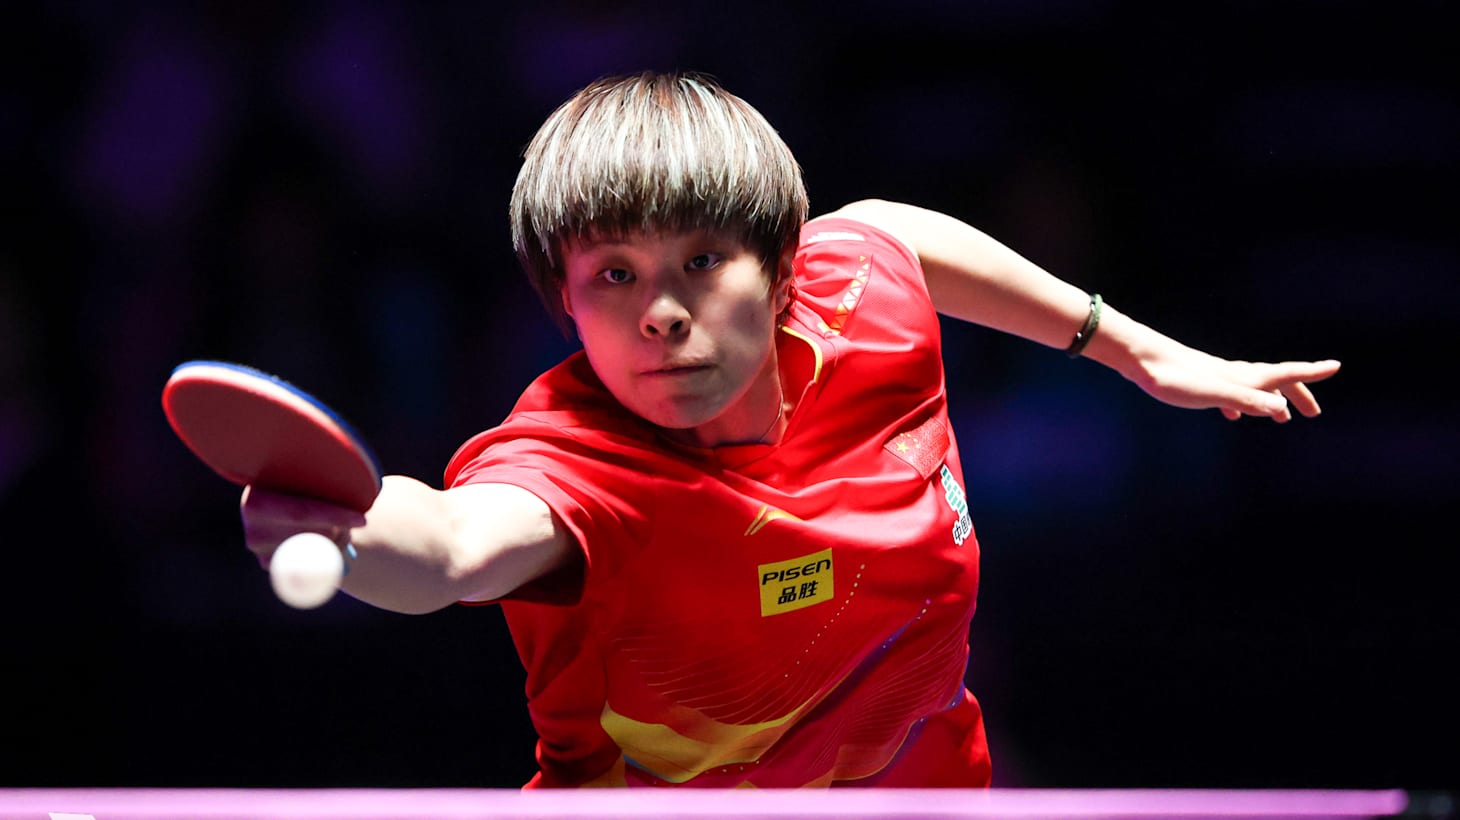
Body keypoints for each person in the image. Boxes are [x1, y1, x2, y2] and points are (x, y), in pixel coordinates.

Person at [241, 71, 1340, 788]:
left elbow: (893, 232)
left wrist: (1132, 350)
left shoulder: (859, 294)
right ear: (561, 302)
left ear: (781, 269)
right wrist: (348, 526)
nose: (660, 311)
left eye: (701, 261)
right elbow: (451, 546)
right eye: (613, 274)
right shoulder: (574, 465)